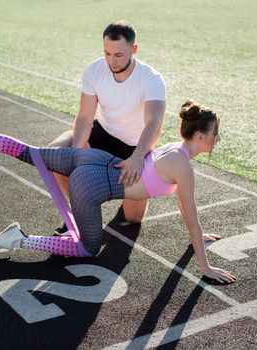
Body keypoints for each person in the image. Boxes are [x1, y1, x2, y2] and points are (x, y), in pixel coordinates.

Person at [0, 100, 236, 283]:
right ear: (200, 136)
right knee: (87, 249)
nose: (217, 139)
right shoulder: (183, 167)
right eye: (215, 134)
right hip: (92, 185)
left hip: (92, 159)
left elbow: (188, 214)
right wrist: (205, 267)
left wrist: (199, 235)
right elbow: (192, 219)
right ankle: (21, 239)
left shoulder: (175, 148)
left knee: (27, 151)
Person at [49, 20, 166, 234]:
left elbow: (154, 122)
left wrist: (138, 156)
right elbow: (85, 116)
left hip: (133, 146)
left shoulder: (152, 79)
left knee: (132, 219)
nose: (111, 60)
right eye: (107, 53)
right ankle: (81, 212)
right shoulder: (94, 70)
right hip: (102, 134)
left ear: (134, 49)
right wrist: (75, 151)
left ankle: (134, 192)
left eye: (119, 55)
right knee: (56, 154)